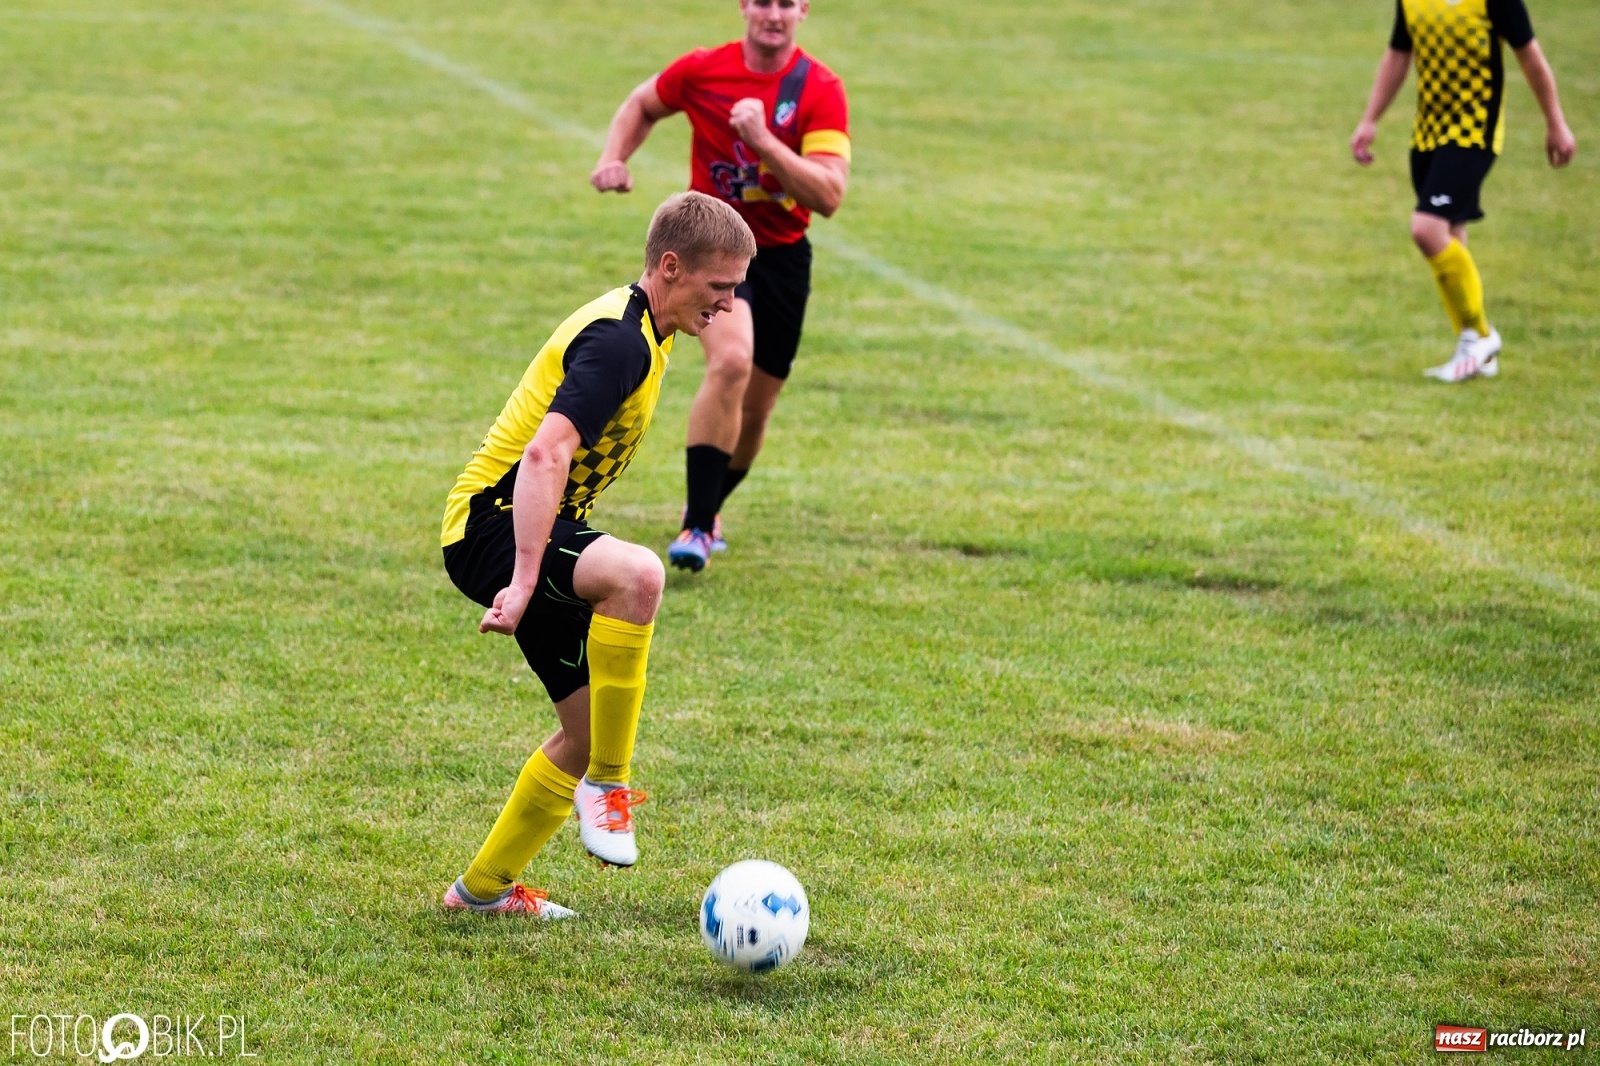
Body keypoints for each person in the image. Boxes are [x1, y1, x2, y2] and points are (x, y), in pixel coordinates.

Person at [438, 192, 756, 918]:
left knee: (579, 734)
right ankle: (609, 785)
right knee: (638, 574)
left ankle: (480, 892)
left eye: (736, 289)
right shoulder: (619, 340)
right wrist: (522, 582)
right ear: (670, 267)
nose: (730, 305)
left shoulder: (648, 326)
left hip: (518, 524)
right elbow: (546, 452)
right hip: (493, 522)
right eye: (719, 288)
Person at [590, 0, 851, 571]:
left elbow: (828, 195)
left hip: (782, 256)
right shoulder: (704, 69)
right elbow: (643, 102)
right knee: (730, 362)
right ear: (744, 7)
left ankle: (707, 507)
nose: (773, 14)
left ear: (802, 10)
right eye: (763, 1)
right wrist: (614, 157)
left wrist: (762, 141)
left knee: (756, 411)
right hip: (713, 250)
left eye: (786, 3)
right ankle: (699, 526)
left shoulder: (820, 89)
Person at [1351, 0, 1576, 383]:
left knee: (1427, 229)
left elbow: (1530, 57)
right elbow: (1397, 56)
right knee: (1451, 234)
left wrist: (1556, 123)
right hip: (1428, 132)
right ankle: (1477, 352)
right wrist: (1370, 119)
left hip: (1474, 130)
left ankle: (1480, 337)